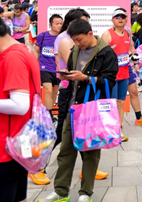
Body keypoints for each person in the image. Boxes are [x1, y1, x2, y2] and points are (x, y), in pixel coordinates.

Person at [41, 19, 118, 202]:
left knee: (90, 153)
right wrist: (67, 76)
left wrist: (85, 78)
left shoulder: (106, 52)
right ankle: (61, 192)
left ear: (90, 34)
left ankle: (85, 193)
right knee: (65, 151)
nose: (77, 43)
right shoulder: (75, 50)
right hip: (73, 108)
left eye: (79, 39)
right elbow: (73, 73)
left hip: (91, 110)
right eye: (74, 40)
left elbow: (109, 82)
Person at [0, 17, 41, 201]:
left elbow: (20, 105)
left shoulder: (12, 57)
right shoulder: (22, 50)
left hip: (7, 145)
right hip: (20, 141)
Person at [101, 8, 142, 141]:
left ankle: (119, 128)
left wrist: (135, 62)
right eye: (117, 17)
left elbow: (131, 48)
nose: (120, 19)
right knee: (113, 101)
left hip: (125, 70)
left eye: (123, 17)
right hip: (112, 73)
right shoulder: (107, 34)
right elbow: (101, 54)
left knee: (121, 101)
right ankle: (111, 129)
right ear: (112, 20)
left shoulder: (127, 32)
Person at [35, 14, 63, 114]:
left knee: (55, 92)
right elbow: (36, 51)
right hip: (45, 68)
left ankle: (49, 111)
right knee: (48, 90)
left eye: (61, 23)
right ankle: (49, 115)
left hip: (58, 69)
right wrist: (35, 65)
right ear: (50, 25)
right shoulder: (42, 36)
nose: (59, 26)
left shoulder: (63, 38)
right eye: (56, 24)